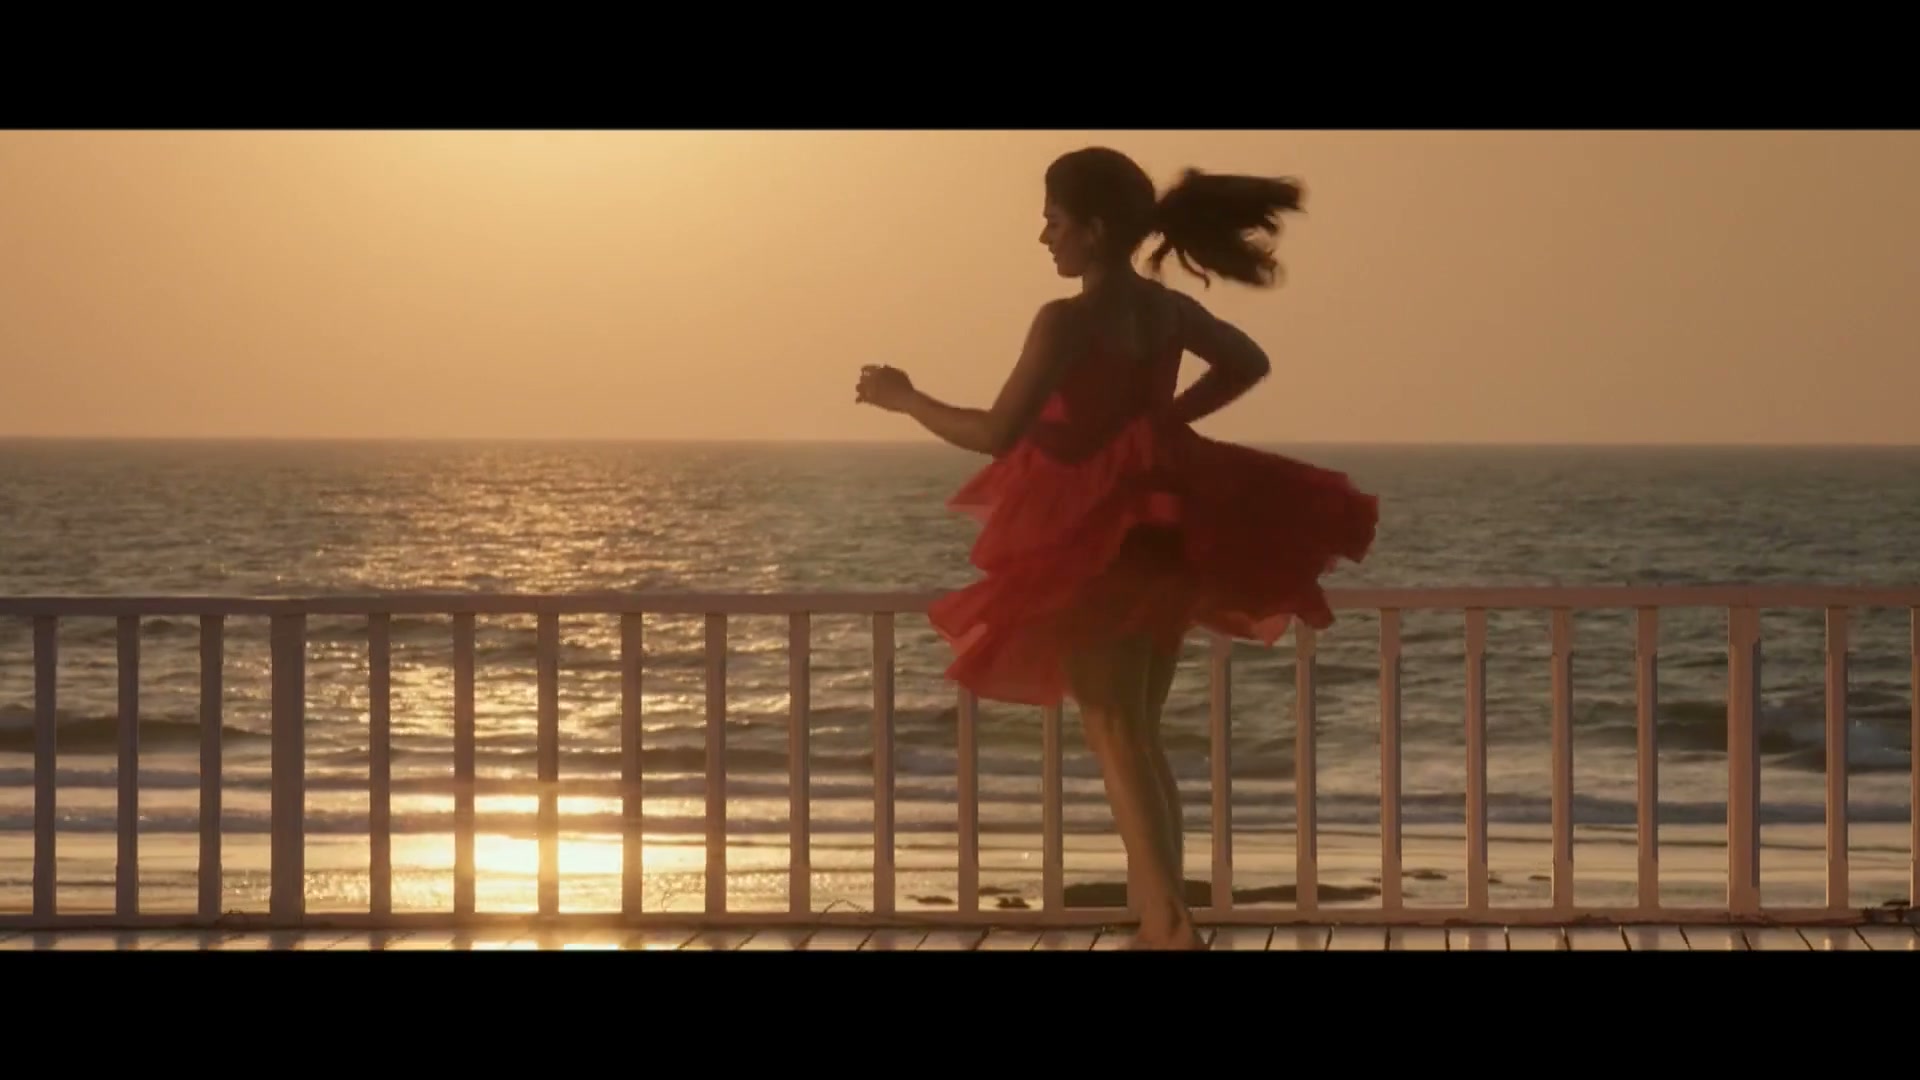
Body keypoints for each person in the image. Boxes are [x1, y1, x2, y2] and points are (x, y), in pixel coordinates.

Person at [854, 147, 1379, 950]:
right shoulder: (1165, 312)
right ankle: (1161, 912)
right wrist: (1164, 422)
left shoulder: (1067, 321)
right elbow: (1248, 361)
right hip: (1162, 528)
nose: (1044, 237)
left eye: (1054, 221)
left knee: (1111, 724)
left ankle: (1168, 921)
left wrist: (906, 398)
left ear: (1094, 230)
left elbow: (996, 433)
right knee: (1136, 728)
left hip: (1093, 533)